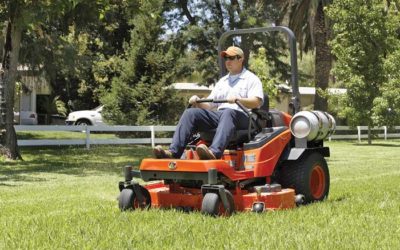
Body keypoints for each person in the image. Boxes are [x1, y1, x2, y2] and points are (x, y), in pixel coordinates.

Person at [153, 46, 264, 160]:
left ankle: (214, 153)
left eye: (231, 58)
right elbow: (210, 105)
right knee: (191, 113)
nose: (228, 61)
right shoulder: (222, 81)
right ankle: (173, 152)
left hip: (243, 117)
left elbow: (256, 102)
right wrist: (198, 102)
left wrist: (239, 100)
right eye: (226, 58)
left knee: (228, 112)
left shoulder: (251, 79)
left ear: (240, 59)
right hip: (221, 116)